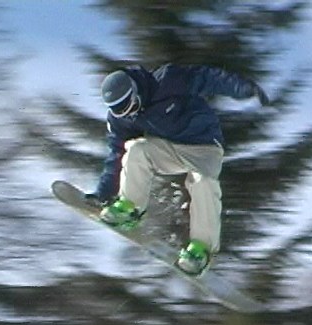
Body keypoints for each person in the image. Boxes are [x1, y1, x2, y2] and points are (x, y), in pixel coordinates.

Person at [89, 63, 269, 275]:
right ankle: (129, 208)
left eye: (131, 105)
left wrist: (242, 87)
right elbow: (116, 153)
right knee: (137, 150)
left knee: (203, 182)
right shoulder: (122, 119)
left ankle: (201, 249)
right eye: (120, 111)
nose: (130, 112)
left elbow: (208, 77)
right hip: (169, 148)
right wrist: (103, 192)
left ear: (135, 91)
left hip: (204, 145)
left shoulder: (167, 80)